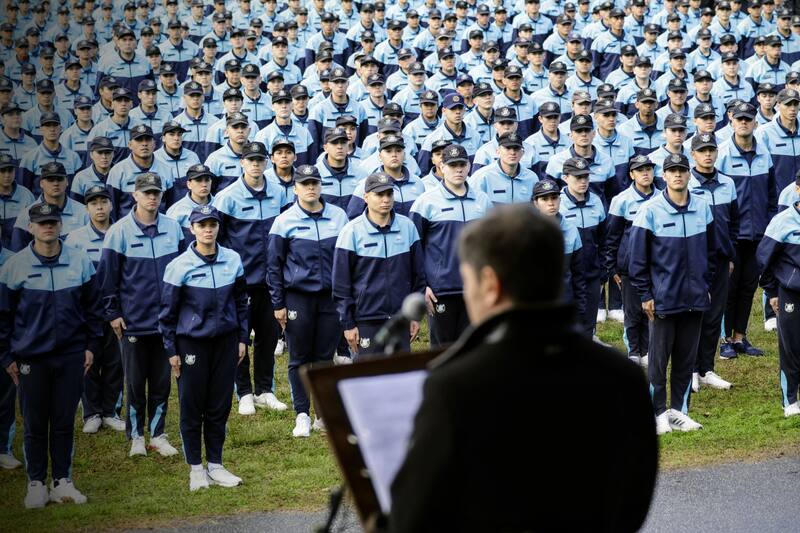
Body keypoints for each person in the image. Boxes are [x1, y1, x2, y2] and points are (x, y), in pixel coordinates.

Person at [388, 204, 657, 532]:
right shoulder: (622, 376)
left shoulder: (455, 386)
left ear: (489, 283)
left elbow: (412, 517)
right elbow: (634, 496)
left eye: (467, 278)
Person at [0, 203, 103, 508]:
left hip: (71, 356)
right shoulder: (14, 266)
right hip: (32, 359)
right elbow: (3, 317)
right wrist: (6, 357)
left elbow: (93, 309)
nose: (48, 227)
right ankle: (36, 484)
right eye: (41, 223)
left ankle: (62, 482)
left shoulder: (80, 261)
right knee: (34, 423)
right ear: (30, 228)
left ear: (61, 225)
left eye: (53, 222)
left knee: (62, 421)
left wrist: (90, 347)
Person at [159, 205, 248, 491]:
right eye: (202, 225)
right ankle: (195, 469)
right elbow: (167, 314)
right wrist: (172, 350)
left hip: (226, 343)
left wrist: (243, 340)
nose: (208, 229)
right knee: (192, 406)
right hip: (192, 344)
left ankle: (216, 464)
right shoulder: (179, 266)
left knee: (219, 406)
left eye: (212, 224)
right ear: (192, 229)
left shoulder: (232, 260)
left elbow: (241, 302)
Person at [98, 173, 185, 457]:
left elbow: (185, 271)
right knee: (135, 383)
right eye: (146, 193)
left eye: (156, 193)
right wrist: (113, 313)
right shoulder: (119, 231)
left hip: (166, 323)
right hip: (133, 323)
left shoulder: (174, 228)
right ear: (135, 195)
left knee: (161, 382)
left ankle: (158, 433)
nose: (152, 197)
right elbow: (108, 277)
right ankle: (136, 435)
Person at [629, 153, 716, 435]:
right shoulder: (650, 210)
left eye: (682, 170)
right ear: (663, 176)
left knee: (685, 360)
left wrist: (707, 285)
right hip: (663, 300)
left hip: (695, 299)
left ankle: (680, 411)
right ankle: (656, 414)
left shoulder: (703, 208)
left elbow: (712, 252)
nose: (677, 175)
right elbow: (637, 260)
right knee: (658, 362)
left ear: (689, 175)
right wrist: (645, 294)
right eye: (672, 171)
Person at [267, 165, 349, 437]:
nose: (310, 187)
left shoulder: (339, 216)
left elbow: (347, 260)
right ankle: (302, 414)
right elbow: (274, 265)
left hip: (330, 299)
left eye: (314, 182)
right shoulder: (285, 221)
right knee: (299, 358)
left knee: (325, 357)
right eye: (305, 184)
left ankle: (322, 414)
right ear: (296, 188)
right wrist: (278, 304)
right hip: (297, 298)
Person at [212, 141, 289, 415]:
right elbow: (215, 239)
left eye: (260, 160)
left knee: (268, 337)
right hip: (241, 282)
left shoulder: (278, 193)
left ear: (266, 162)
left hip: (271, 281)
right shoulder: (227, 197)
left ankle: (265, 390)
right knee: (239, 338)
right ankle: (243, 391)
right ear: (242, 163)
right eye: (250, 160)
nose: (255, 164)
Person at [333, 172, 426, 360]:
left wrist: (414, 316)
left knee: (401, 377)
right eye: (379, 194)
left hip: (401, 319)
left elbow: (419, 277)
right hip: (366, 319)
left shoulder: (408, 227)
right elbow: (341, 285)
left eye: (389, 194)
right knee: (368, 380)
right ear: (366, 197)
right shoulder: (351, 232)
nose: (385, 199)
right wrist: (348, 324)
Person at [410, 144, 492, 347]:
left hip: (475, 288)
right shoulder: (426, 202)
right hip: (441, 292)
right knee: (441, 351)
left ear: (469, 166)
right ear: (441, 166)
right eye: (452, 165)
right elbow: (414, 249)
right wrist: (423, 287)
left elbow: (491, 245)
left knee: (472, 348)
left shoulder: (483, 201)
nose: (458, 169)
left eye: (462, 164)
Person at [64, 186, 126, 434]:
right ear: (87, 208)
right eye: (94, 203)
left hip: (115, 311)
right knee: (88, 362)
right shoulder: (76, 238)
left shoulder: (121, 232)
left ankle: (111, 411)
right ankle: (92, 412)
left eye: (103, 202)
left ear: (111, 205)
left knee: (114, 362)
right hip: (86, 312)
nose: (99, 207)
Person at [688, 134, 737, 392]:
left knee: (714, 315)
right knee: (696, 314)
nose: (707, 154)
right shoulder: (686, 183)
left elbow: (734, 222)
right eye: (702, 150)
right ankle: (692, 369)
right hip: (696, 260)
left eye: (711, 150)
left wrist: (730, 254)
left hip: (721, 259)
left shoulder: (728, 183)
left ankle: (706, 368)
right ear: (693, 154)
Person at [604, 154, 658, 367]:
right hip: (629, 267)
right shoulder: (622, 200)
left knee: (651, 310)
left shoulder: (662, 197)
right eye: (640, 170)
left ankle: (647, 350)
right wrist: (612, 267)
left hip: (656, 265)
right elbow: (612, 236)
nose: (645, 173)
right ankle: (634, 351)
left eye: (649, 169)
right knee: (633, 311)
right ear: (632, 174)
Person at [757, 174, 800, 417]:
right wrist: (772, 292)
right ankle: (790, 399)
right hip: (792, 292)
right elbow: (764, 259)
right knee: (791, 346)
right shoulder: (783, 221)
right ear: (797, 189)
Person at [531, 178, 587, 321]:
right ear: (535, 203)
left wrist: (580, 307)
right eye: (544, 199)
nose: (551, 203)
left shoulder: (570, 228)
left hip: (564, 303)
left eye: (554, 198)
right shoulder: (526, 231)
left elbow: (578, 272)